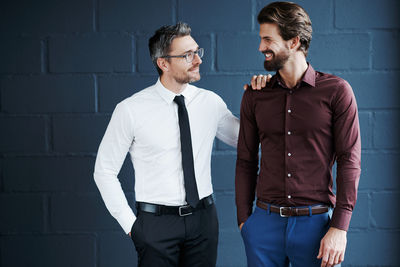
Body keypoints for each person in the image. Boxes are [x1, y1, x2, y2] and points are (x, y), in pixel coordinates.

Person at [94, 22, 267, 267]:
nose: (197, 60)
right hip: (155, 225)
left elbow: (248, 140)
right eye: (187, 55)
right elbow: (104, 171)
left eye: (197, 52)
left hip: (203, 221)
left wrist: (261, 99)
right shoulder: (130, 110)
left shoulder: (210, 102)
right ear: (163, 63)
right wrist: (131, 226)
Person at [235, 2, 361, 267]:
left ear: (293, 42)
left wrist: (340, 227)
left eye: (268, 40)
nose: (261, 47)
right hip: (263, 227)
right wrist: (245, 222)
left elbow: (349, 161)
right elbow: (246, 160)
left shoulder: (337, 92)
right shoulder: (255, 95)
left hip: (317, 227)